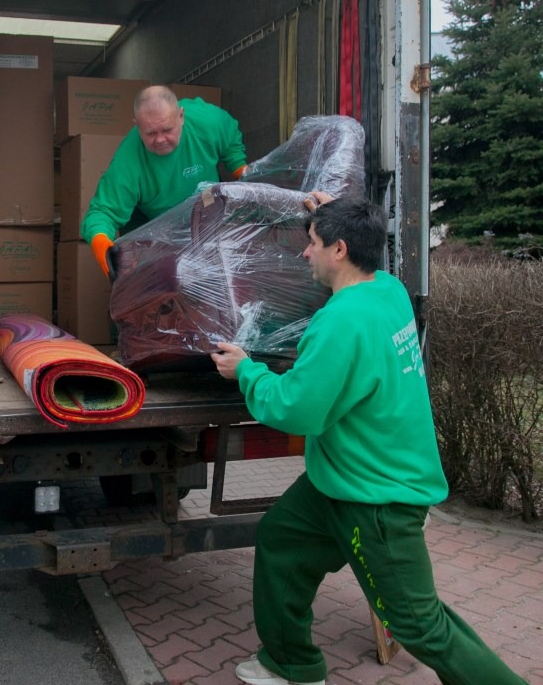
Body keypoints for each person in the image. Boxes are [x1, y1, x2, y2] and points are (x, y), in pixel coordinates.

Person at [210, 193, 526, 685]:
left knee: (420, 626)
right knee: (281, 539)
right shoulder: (389, 290)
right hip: (338, 479)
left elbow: (298, 409)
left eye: (312, 243)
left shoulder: (340, 322)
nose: (304, 253)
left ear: (338, 250)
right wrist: (340, 211)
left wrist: (245, 371)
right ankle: (291, 663)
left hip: (377, 497)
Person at [81, 85, 247, 278]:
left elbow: (229, 135)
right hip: (153, 226)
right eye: (150, 133)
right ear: (137, 125)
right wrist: (101, 241)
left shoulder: (207, 121)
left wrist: (238, 165)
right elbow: (103, 211)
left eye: (167, 129)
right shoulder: (128, 160)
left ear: (181, 116)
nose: (160, 140)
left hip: (205, 213)